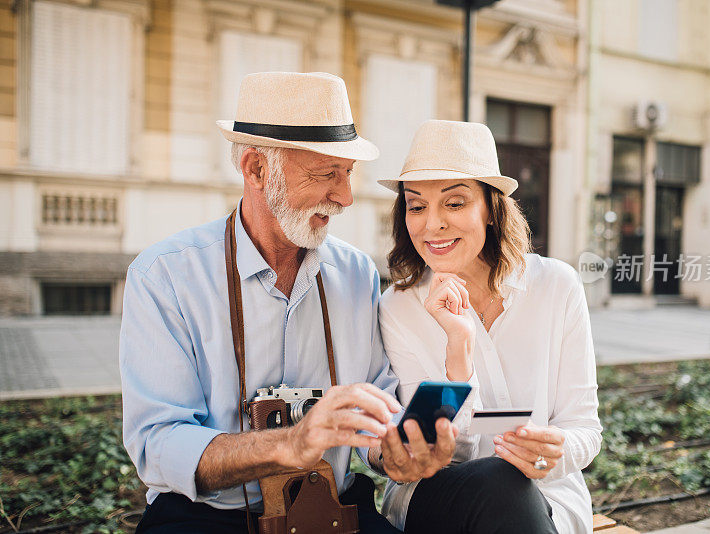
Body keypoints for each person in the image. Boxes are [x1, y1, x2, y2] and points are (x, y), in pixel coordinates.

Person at [119, 73, 457, 534]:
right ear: (256, 169)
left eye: (348, 173)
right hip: (208, 518)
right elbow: (157, 444)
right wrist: (288, 444)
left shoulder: (356, 273)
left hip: (331, 511)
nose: (345, 196)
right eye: (326, 175)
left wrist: (391, 447)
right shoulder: (165, 276)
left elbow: (378, 401)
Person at [376, 119, 603, 533]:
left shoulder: (557, 286)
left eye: (455, 203)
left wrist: (556, 450)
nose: (432, 225)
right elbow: (433, 453)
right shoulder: (397, 308)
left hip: (546, 498)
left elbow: (585, 429)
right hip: (439, 500)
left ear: (492, 210)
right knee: (497, 479)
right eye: (416, 205)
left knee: (510, 486)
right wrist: (458, 351)